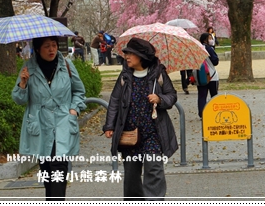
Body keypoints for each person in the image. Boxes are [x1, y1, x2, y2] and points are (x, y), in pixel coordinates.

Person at [12, 36, 87, 200]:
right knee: (47, 173)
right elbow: (19, 99)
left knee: (59, 168)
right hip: (41, 126)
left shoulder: (66, 65)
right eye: (47, 46)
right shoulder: (28, 68)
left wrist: (74, 110)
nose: (52, 49)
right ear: (38, 49)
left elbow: (79, 92)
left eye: (54, 45)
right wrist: (23, 84)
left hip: (63, 123)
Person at [103, 37, 178, 201]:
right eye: (126, 53)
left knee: (154, 170)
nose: (127, 57)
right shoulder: (124, 77)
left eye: (130, 53)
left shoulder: (158, 74)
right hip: (129, 133)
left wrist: (159, 99)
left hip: (153, 132)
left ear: (141, 56)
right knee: (131, 175)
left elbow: (171, 95)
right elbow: (115, 101)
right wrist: (109, 126)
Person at [196, 32, 219, 118]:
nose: (211, 40)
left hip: (200, 76)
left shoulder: (196, 48)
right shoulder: (209, 49)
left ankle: (202, 114)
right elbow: (215, 61)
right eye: (210, 38)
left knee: (202, 95)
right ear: (205, 39)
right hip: (212, 76)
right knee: (213, 95)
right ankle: (215, 112)